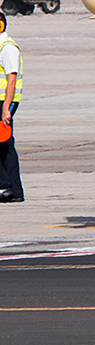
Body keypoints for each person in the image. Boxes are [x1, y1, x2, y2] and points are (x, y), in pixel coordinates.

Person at [0, 11, 19, 202]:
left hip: (3, 103)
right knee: (5, 147)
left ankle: (5, 186)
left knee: (5, 145)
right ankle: (13, 190)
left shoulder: (7, 48)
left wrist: (6, 108)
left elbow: (11, 80)